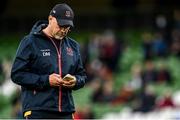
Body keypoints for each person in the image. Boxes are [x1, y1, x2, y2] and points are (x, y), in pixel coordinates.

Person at [11, 3, 87, 119]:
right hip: (38, 111)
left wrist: (75, 80)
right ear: (50, 19)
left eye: (67, 27)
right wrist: (46, 80)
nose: (63, 30)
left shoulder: (73, 46)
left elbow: (82, 75)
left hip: (66, 111)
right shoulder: (30, 42)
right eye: (61, 25)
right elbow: (17, 74)